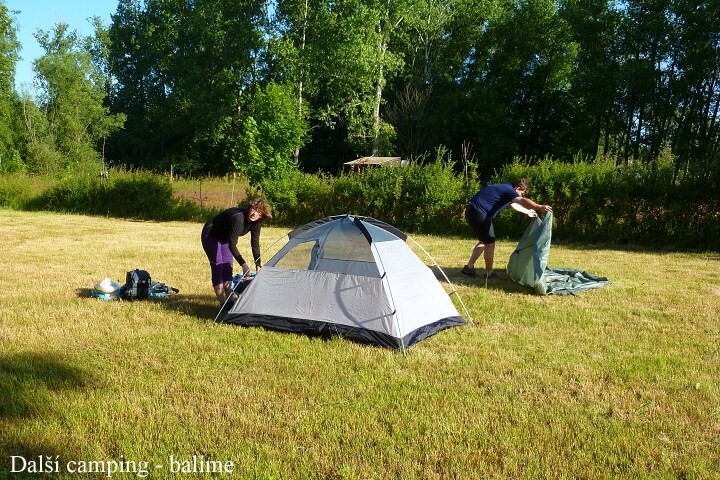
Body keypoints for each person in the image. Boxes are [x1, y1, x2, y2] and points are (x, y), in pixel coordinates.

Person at [462, 178, 551, 279]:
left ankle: (469, 268)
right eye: (521, 193)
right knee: (490, 243)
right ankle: (489, 273)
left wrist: (527, 212)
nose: (520, 195)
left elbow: (513, 204)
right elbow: (521, 201)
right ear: (517, 188)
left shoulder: (504, 188)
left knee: (483, 241)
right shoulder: (508, 190)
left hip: (472, 211)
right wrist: (539, 207)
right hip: (479, 213)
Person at [201, 198, 272, 303]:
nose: (254, 213)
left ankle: (230, 300)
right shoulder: (239, 218)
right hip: (211, 235)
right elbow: (232, 245)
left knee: (227, 266)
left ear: (262, 216)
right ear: (250, 208)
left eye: (258, 212)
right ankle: (222, 302)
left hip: (225, 238)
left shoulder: (257, 223)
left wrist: (258, 264)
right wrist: (244, 265)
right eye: (253, 209)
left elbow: (255, 244)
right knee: (218, 266)